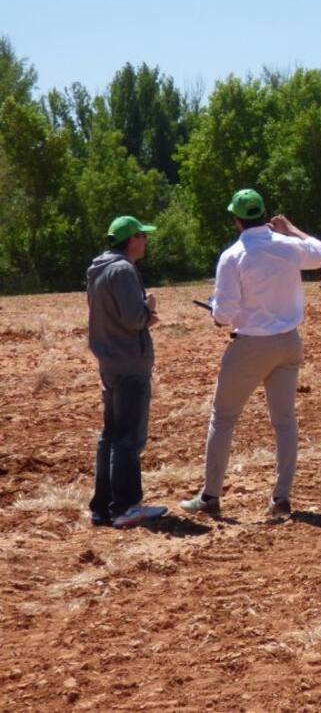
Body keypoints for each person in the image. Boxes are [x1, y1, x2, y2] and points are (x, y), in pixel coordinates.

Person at [180, 189, 321, 520]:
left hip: (250, 345)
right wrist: (291, 228)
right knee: (285, 421)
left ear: (236, 219)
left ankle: (210, 497)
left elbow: (224, 315)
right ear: (264, 215)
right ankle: (281, 499)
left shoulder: (233, 256)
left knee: (223, 418)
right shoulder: (289, 246)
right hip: (288, 342)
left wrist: (217, 313)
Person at [86, 216, 168, 528]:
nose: (146, 241)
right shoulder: (122, 270)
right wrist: (149, 307)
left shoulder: (99, 268)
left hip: (109, 362)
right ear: (131, 239)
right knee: (128, 438)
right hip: (129, 363)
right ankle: (126, 506)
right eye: (142, 236)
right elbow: (134, 319)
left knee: (111, 434)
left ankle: (102, 507)